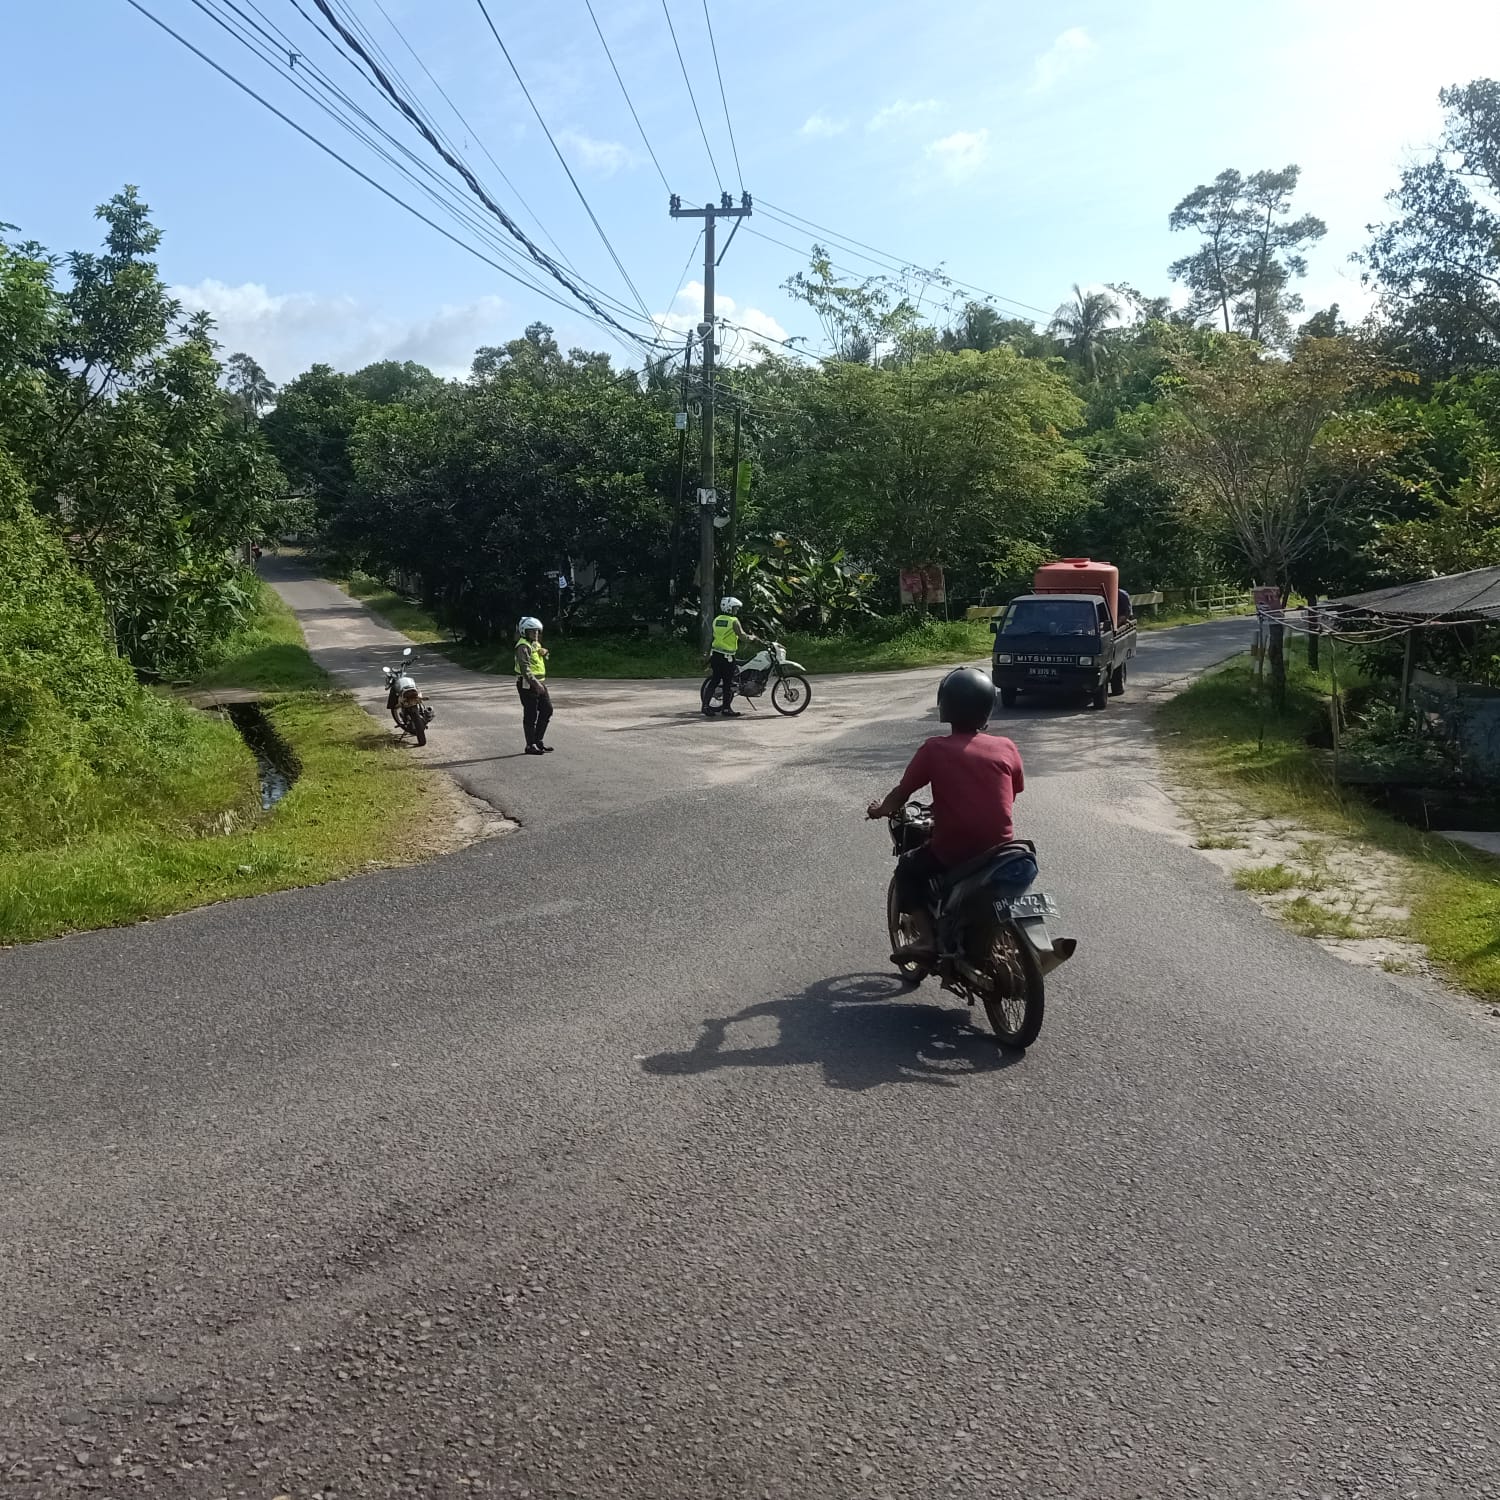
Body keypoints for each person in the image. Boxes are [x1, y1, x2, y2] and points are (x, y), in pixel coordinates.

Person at [865, 666, 1025, 962]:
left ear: (945, 706)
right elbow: (1011, 793)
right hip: (1001, 848)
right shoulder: (1006, 747)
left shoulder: (935, 749)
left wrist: (880, 810)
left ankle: (926, 940)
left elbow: (902, 794)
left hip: (956, 850)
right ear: (988, 706)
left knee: (908, 869)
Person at [706, 595, 758, 718]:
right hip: (727, 657)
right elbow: (742, 636)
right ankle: (726, 708)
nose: (736, 611)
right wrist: (753, 638)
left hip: (715, 654)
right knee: (728, 683)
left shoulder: (717, 619)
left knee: (714, 681)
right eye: (735, 608)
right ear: (729, 608)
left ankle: (705, 706)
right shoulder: (733, 621)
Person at [515, 615, 553, 755]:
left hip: (540, 683)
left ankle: (538, 741)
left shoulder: (535, 644)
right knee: (531, 714)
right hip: (528, 684)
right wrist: (535, 684)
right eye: (532, 631)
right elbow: (525, 668)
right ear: (525, 631)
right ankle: (530, 745)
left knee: (547, 710)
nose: (536, 634)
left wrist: (545, 652)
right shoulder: (523, 646)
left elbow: (540, 658)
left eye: (537, 631)